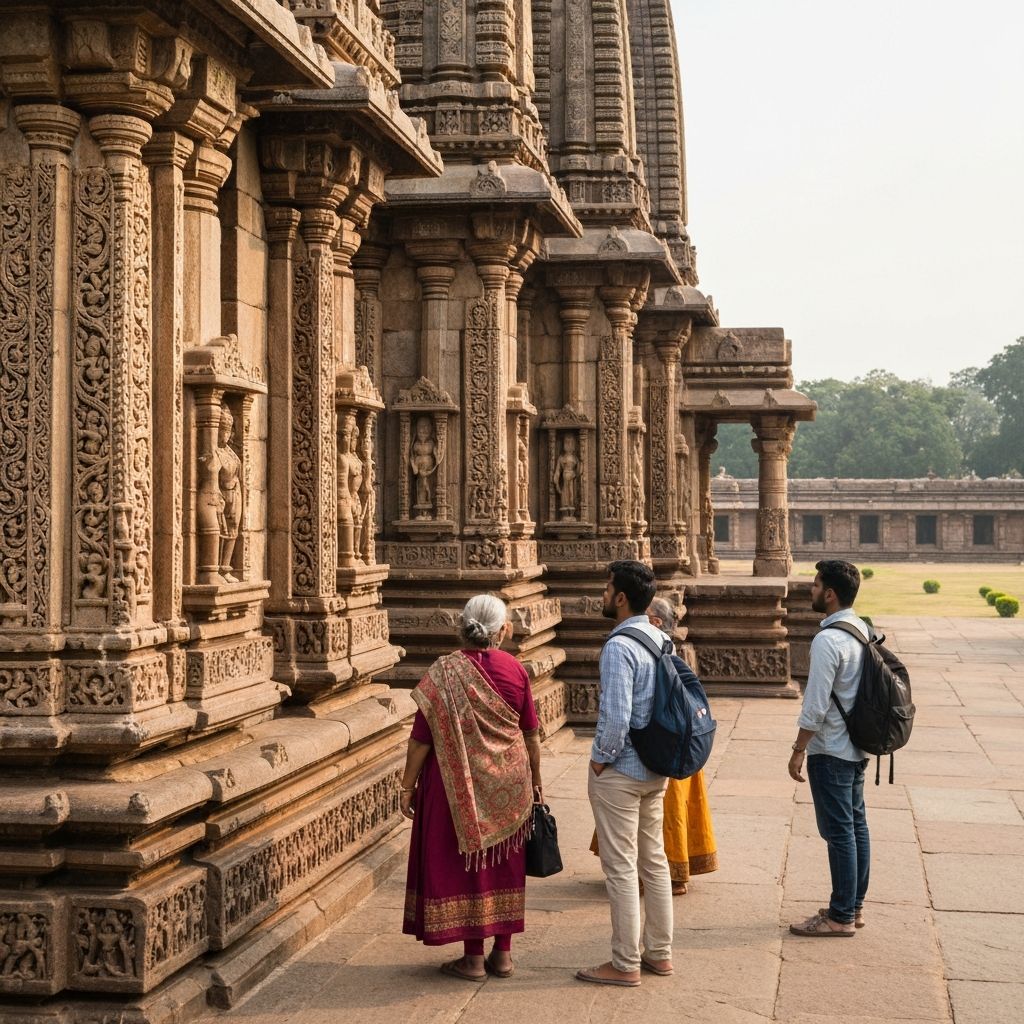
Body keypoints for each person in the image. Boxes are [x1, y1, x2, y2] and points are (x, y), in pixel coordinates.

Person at [401, 595, 543, 980]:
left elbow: (420, 740)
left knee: (469, 866)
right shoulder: (515, 669)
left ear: (461, 626)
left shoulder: (443, 671)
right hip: (509, 786)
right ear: (503, 631)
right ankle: (504, 954)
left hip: (455, 785)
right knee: (503, 864)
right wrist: (537, 785)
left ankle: (473, 958)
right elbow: (531, 735)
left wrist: (406, 787)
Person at [577, 560, 673, 987]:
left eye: (606, 588)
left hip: (622, 770)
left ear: (620, 598)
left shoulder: (620, 646)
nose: (602, 595)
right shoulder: (659, 636)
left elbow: (615, 717)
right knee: (654, 862)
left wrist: (600, 759)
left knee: (621, 868)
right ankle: (660, 953)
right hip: (657, 764)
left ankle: (624, 962)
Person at [588, 597, 719, 895]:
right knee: (656, 849)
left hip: (655, 750)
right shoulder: (665, 648)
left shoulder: (629, 647)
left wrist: (600, 758)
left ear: (657, 622)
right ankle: (662, 899)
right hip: (672, 745)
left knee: (641, 848)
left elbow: (619, 716)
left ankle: (652, 882)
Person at [788, 559, 870, 937]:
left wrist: (799, 748)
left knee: (839, 833)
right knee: (855, 828)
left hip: (832, 748)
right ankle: (852, 907)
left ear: (831, 594)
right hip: (856, 745)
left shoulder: (828, 639)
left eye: (816, 584)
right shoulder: (861, 629)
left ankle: (839, 916)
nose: (812, 590)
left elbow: (816, 704)